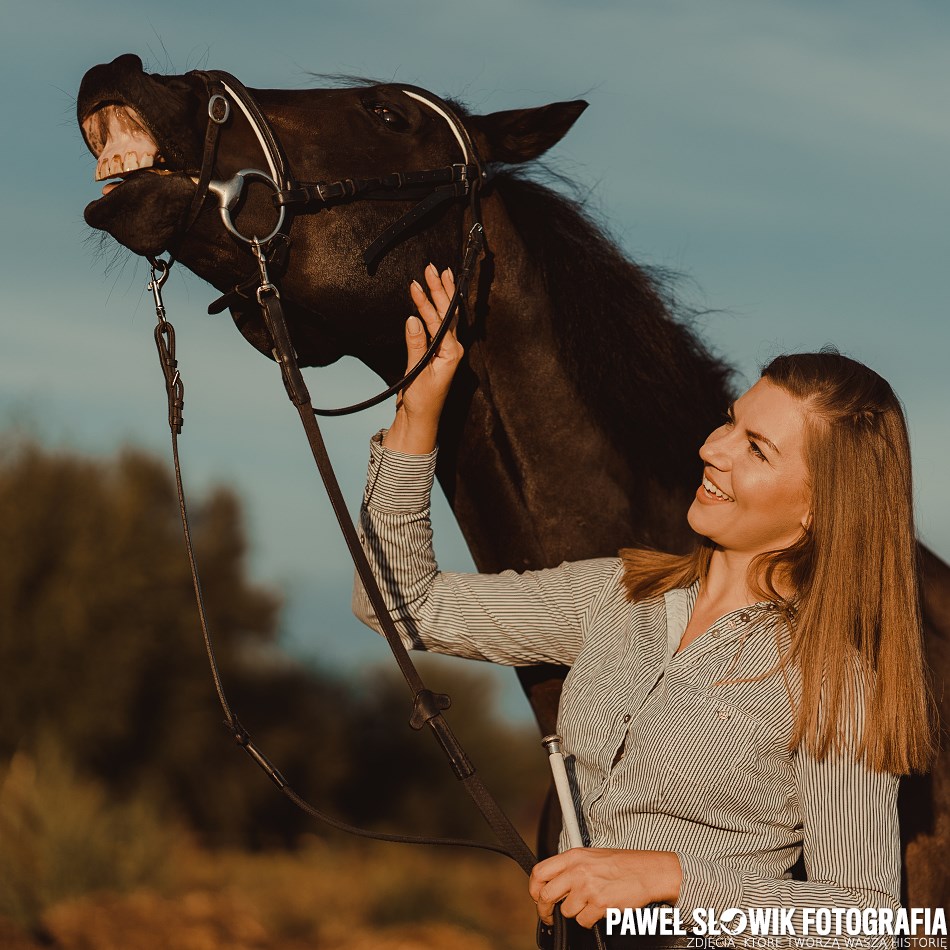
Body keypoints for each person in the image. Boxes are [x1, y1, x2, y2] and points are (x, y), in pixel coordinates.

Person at [352, 264, 934, 945]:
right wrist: (418, 410)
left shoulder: (834, 681)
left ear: (814, 509)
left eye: (755, 448)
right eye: (728, 422)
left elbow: (864, 920)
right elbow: (401, 606)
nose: (710, 449)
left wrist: (674, 878)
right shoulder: (617, 593)